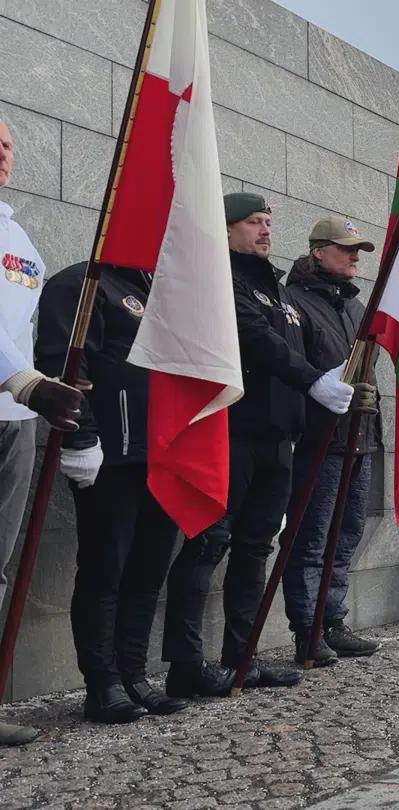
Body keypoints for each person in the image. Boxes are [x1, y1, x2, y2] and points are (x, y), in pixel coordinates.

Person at [163, 193, 357, 698]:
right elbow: (257, 343)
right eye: (254, 222)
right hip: (231, 434)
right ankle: (185, 663)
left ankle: (241, 656)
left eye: (269, 221)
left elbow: (292, 349)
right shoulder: (219, 280)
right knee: (207, 545)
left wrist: (326, 381)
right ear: (225, 229)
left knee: (255, 550)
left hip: (278, 439)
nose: (266, 230)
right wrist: (314, 381)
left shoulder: (275, 288)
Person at [36, 261, 187, 724]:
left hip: (163, 452)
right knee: (106, 569)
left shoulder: (162, 287)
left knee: (148, 568)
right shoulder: (84, 282)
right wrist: (81, 437)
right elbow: (62, 365)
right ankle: (102, 683)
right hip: (110, 455)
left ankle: (134, 674)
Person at [0, 118, 91, 745]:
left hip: (13, 421)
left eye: (7, 143)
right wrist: (24, 381)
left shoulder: (20, 242)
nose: (2, 153)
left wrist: (36, 392)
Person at [280, 216, 382, 667]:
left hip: (358, 437)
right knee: (312, 536)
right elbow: (294, 372)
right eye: (346, 249)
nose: (355, 257)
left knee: (347, 533)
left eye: (358, 250)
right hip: (318, 439)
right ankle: (308, 628)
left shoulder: (355, 308)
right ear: (319, 252)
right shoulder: (293, 302)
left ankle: (332, 618)